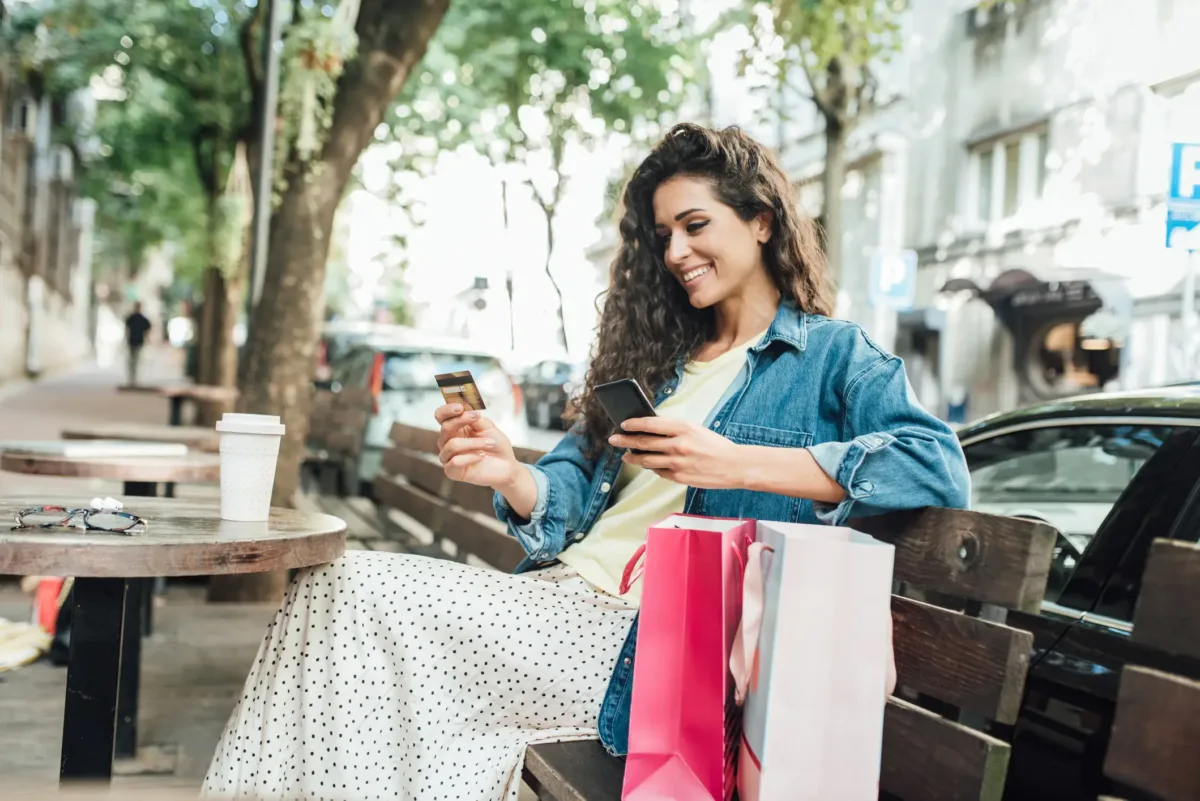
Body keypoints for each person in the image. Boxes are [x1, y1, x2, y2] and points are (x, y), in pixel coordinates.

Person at [202, 124, 969, 800]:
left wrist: (739, 464)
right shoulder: (658, 360)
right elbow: (567, 484)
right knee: (335, 591)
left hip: (647, 648)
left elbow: (935, 466)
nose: (676, 252)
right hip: (562, 604)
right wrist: (509, 472)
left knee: (356, 591)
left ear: (762, 220)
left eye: (695, 224)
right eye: (664, 234)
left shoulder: (833, 357)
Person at [124, 302, 152, 385]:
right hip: (133, 341)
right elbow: (127, 329)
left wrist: (148, 339)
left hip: (137, 341)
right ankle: (132, 377)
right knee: (133, 360)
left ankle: (133, 377)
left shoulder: (139, 319)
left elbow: (147, 331)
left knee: (134, 360)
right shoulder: (133, 318)